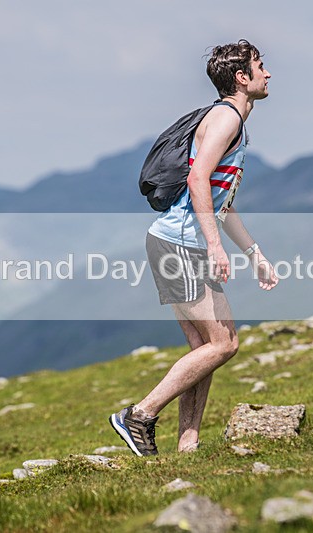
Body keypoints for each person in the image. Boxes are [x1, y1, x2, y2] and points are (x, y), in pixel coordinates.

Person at [110, 39, 278, 456]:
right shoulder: (226, 120)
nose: (268, 73)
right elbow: (197, 179)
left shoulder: (230, 120)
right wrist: (215, 247)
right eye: (261, 66)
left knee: (204, 349)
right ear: (242, 78)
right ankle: (139, 415)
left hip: (175, 243)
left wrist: (254, 255)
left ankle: (189, 445)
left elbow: (223, 201)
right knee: (224, 344)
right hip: (180, 245)